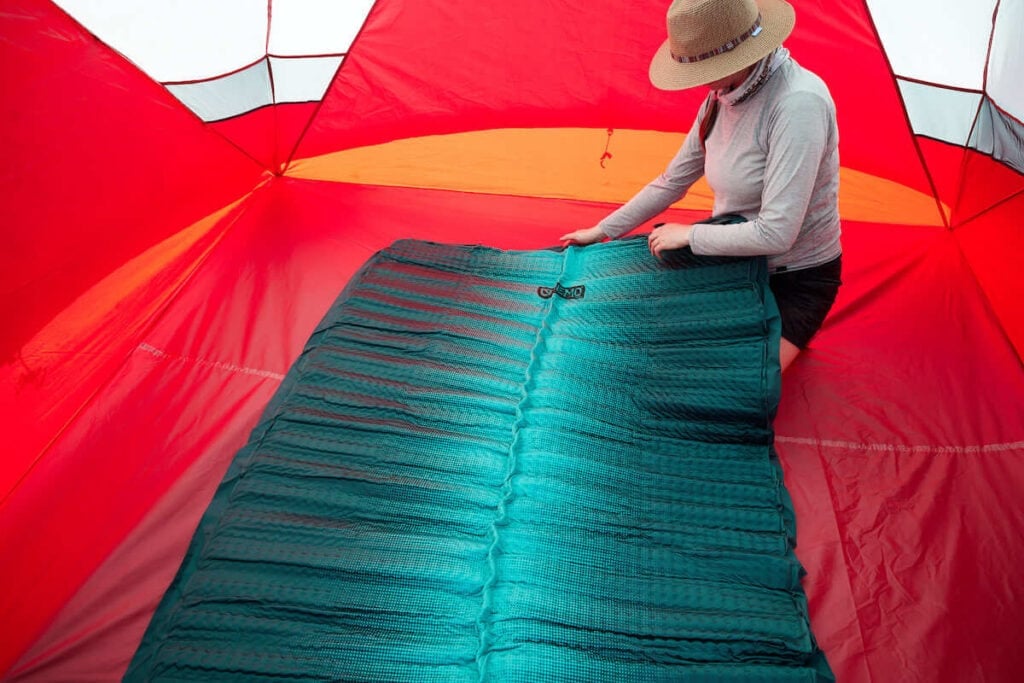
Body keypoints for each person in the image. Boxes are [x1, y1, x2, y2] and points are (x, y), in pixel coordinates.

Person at [561, 0, 842, 372]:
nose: (697, 80)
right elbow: (671, 181)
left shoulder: (797, 104)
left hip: (793, 280)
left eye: (706, 68)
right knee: (633, 328)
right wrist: (602, 231)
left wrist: (690, 236)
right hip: (733, 259)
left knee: (724, 387)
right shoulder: (722, 95)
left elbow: (777, 234)